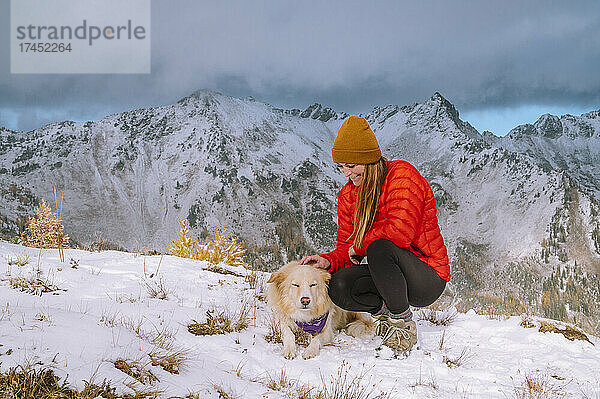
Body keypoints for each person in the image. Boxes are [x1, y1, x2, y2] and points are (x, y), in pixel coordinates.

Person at [300, 115, 450, 355]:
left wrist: (359, 247)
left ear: (368, 160)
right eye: (340, 166)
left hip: (426, 277)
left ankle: (402, 327)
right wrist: (329, 260)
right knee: (339, 285)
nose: (346, 173)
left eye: (351, 165)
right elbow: (346, 247)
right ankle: (386, 316)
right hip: (390, 278)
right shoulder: (348, 196)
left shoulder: (402, 176)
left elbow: (400, 233)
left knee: (378, 247)